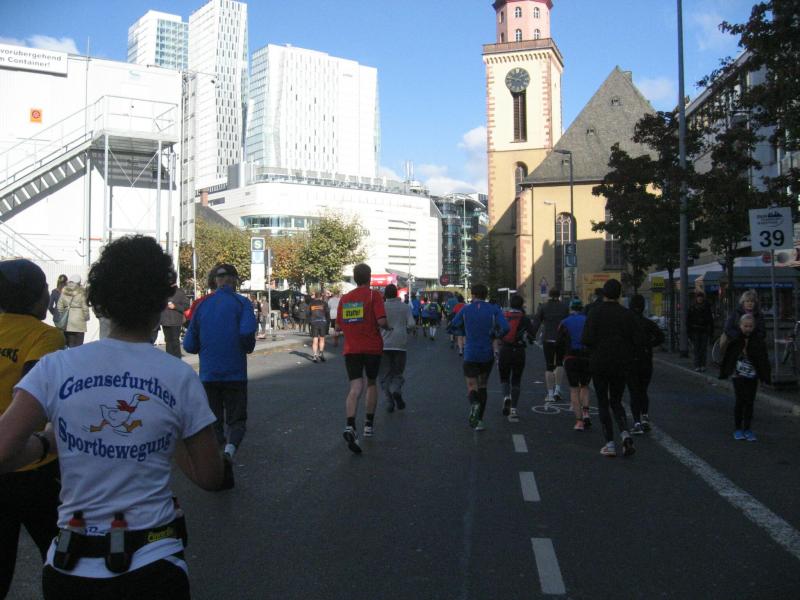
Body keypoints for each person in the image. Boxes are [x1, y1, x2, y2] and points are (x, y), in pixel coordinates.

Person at [0, 236, 231, 599]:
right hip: (153, 562)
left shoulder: (55, 367)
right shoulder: (178, 376)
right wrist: (164, 436)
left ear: (101, 299)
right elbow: (210, 476)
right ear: (161, 300)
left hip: (70, 565)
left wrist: (49, 442)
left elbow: (3, 450)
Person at [0, 260, 64, 598]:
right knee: (59, 555)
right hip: (32, 465)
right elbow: (35, 395)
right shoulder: (46, 335)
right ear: (37, 296)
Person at [183, 264, 257, 460]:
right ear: (235, 280)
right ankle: (230, 451)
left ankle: (216, 458)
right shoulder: (242, 303)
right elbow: (247, 332)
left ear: (215, 281)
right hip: (235, 373)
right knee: (236, 420)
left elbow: (189, 345)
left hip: (208, 374)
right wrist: (246, 347)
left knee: (213, 421)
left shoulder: (202, 305)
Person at [336, 264, 388, 453]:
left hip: (351, 349)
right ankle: (368, 425)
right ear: (369, 277)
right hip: (372, 348)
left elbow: (338, 326)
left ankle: (350, 425)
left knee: (355, 387)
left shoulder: (345, 298)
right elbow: (381, 321)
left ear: (355, 277)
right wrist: (387, 326)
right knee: (371, 383)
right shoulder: (374, 295)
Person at [582, 279, 636, 457]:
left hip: (600, 362)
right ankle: (625, 434)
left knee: (603, 402)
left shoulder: (595, 313)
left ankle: (610, 444)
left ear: (604, 294)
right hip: (620, 362)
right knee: (617, 401)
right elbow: (635, 340)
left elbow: (586, 339)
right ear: (619, 294)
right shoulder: (626, 314)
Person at [450, 283, 509, 431]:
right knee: (483, 385)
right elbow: (506, 327)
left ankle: (474, 403)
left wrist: (463, 333)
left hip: (470, 353)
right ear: (485, 295)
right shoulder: (494, 309)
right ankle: (480, 421)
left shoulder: (465, 309)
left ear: (473, 294)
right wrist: (496, 335)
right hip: (486, 354)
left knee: (471, 385)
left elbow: (452, 325)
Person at [719, 313, 770, 442]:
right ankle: (738, 428)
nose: (748, 328)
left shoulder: (757, 341)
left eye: (750, 326)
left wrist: (765, 377)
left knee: (750, 402)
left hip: (752, 376)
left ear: (754, 326)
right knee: (740, 400)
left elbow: (763, 359)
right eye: (745, 326)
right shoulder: (736, 339)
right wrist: (725, 372)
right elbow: (729, 356)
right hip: (738, 375)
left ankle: (747, 428)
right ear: (740, 326)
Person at [627, 294, 665, 435]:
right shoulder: (648, 323)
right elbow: (661, 337)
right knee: (643, 391)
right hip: (646, 360)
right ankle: (645, 417)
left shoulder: (627, 323)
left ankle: (637, 422)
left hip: (631, 361)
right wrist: (649, 345)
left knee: (634, 392)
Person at [498, 294, 535, 423]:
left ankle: (506, 397)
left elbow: (497, 332)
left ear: (510, 304)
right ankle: (513, 408)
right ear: (522, 304)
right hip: (519, 351)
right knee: (516, 379)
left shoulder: (504, 316)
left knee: (504, 377)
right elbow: (532, 336)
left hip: (505, 349)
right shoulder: (525, 319)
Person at [558, 298, 593, 431]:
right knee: (585, 386)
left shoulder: (565, 322)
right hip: (586, 357)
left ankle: (579, 421)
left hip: (571, 357)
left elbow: (559, 342)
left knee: (574, 389)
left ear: (571, 308)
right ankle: (586, 413)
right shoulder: (588, 320)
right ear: (582, 308)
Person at [380, 284, 415, 412]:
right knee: (398, 373)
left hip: (384, 345)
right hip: (400, 345)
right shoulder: (405, 307)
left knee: (385, 374)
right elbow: (411, 324)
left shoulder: (381, 307)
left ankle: (389, 402)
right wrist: (407, 330)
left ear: (385, 294)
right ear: (396, 294)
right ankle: (396, 390)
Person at [531, 288, 569, 402]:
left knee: (549, 366)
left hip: (548, 338)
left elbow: (537, 322)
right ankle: (558, 390)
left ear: (549, 295)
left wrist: (532, 335)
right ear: (559, 295)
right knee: (560, 363)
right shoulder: (564, 307)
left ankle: (550, 394)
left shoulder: (543, 307)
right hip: (561, 339)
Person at [56, 274, 90, 348]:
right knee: (79, 347)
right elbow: (85, 307)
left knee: (70, 345)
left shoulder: (64, 291)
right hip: (79, 322)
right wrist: (86, 317)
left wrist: (63, 314)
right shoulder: (81, 292)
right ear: (78, 282)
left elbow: (59, 306)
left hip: (68, 322)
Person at [160, 274, 188, 359]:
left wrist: (175, 306)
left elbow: (186, 305)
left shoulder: (180, 292)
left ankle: (177, 359)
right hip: (165, 321)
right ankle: (170, 360)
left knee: (175, 342)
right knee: (168, 341)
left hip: (176, 321)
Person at [687, 291, 714, 371]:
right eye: (699, 297)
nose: (700, 298)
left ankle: (702, 365)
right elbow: (688, 320)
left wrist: (711, 331)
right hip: (695, 330)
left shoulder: (706, 307)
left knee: (703, 348)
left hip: (703, 330)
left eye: (701, 297)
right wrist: (689, 331)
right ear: (696, 298)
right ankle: (697, 365)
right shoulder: (692, 307)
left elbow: (710, 320)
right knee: (697, 348)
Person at [308, 292, 330, 363]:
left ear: (315, 296)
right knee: (322, 339)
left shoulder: (311, 304)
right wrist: (327, 322)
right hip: (322, 322)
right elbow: (327, 313)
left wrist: (310, 322)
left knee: (315, 339)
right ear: (321, 297)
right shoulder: (324, 303)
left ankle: (315, 355)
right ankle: (321, 353)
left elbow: (308, 314)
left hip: (314, 323)